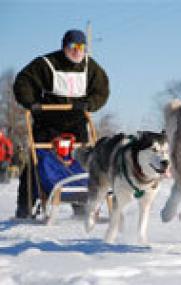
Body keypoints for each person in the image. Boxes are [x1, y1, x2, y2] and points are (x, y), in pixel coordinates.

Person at [13, 29, 109, 218]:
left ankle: (82, 205)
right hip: (48, 121)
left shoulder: (91, 67)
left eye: (82, 47)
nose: (77, 51)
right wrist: (31, 103)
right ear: (64, 47)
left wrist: (90, 104)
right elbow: (23, 82)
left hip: (76, 122)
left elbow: (102, 90)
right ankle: (25, 206)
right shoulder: (46, 63)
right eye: (73, 47)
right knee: (37, 161)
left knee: (81, 162)